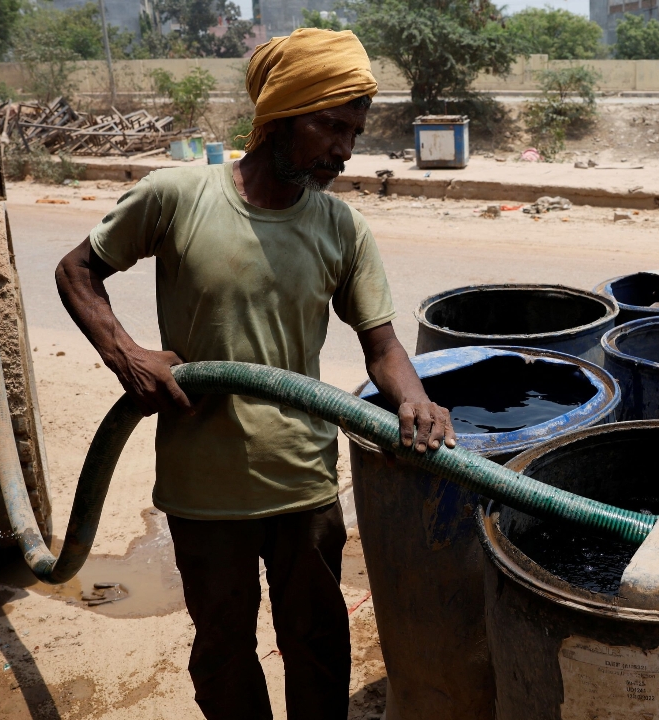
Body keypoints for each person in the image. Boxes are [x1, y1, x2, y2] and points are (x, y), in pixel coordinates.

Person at [54, 28, 452, 719]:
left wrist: (414, 397)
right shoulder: (177, 196)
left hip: (303, 483)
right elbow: (77, 269)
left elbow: (382, 345)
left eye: (353, 131)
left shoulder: (342, 228)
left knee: (318, 647)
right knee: (224, 654)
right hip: (203, 491)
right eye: (330, 125)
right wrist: (127, 354)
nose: (344, 149)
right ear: (280, 116)